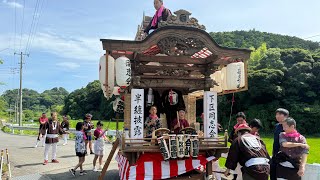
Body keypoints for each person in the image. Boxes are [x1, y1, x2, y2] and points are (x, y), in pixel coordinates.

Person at [270, 108, 289, 180]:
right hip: (275, 154)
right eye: (276, 114)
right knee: (272, 173)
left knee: (281, 176)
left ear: (286, 116)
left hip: (284, 156)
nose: (277, 116)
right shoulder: (277, 126)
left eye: (280, 114)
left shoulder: (289, 126)